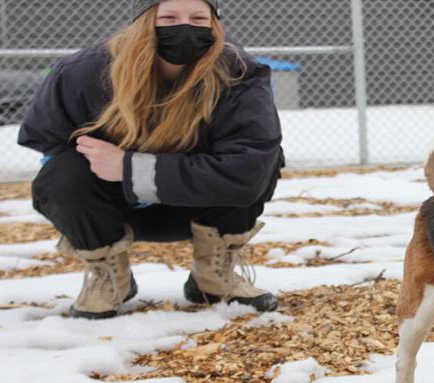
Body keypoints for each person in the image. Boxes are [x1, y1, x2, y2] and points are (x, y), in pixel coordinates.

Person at [18, 0, 283, 318]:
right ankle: (108, 274)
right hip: (115, 210)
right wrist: (92, 170)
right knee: (60, 174)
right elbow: (48, 140)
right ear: (142, 20)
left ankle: (213, 275)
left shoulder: (238, 73)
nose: (185, 28)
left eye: (199, 18)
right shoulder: (83, 71)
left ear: (214, 23)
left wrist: (129, 169)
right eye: (168, 17)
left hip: (200, 204)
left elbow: (247, 165)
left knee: (262, 162)